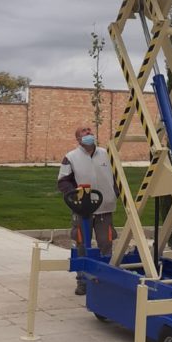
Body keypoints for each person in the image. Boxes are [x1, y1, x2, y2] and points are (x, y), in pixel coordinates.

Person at [57, 124, 118, 295]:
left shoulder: (106, 154)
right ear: (78, 138)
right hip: (82, 210)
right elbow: (63, 181)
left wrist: (115, 193)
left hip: (105, 209)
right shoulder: (71, 157)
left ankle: (105, 279)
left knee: (106, 244)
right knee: (82, 244)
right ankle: (82, 281)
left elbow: (116, 176)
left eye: (90, 130)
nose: (89, 132)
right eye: (84, 131)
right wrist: (74, 196)